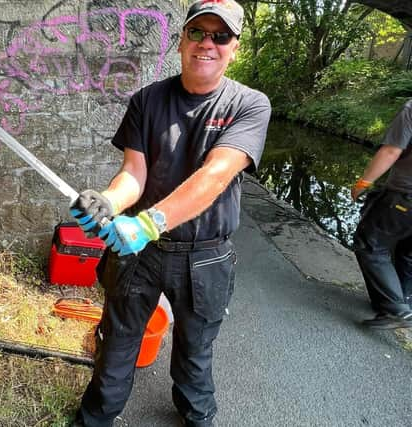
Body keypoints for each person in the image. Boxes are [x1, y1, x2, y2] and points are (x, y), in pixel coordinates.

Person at [69, 1, 271, 426]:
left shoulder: (250, 105)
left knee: (195, 352)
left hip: (205, 256)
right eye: (198, 33)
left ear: (234, 47)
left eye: (221, 36)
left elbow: (215, 176)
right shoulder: (147, 100)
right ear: (181, 41)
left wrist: (148, 222)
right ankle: (95, 419)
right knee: (117, 344)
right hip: (139, 254)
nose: (207, 44)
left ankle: (196, 416)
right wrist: (109, 202)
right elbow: (133, 173)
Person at [351, 99, 412, 329]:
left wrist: (364, 182)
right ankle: (401, 302)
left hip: (405, 195)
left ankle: (396, 310)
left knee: (369, 244)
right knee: (407, 252)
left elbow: (391, 150)